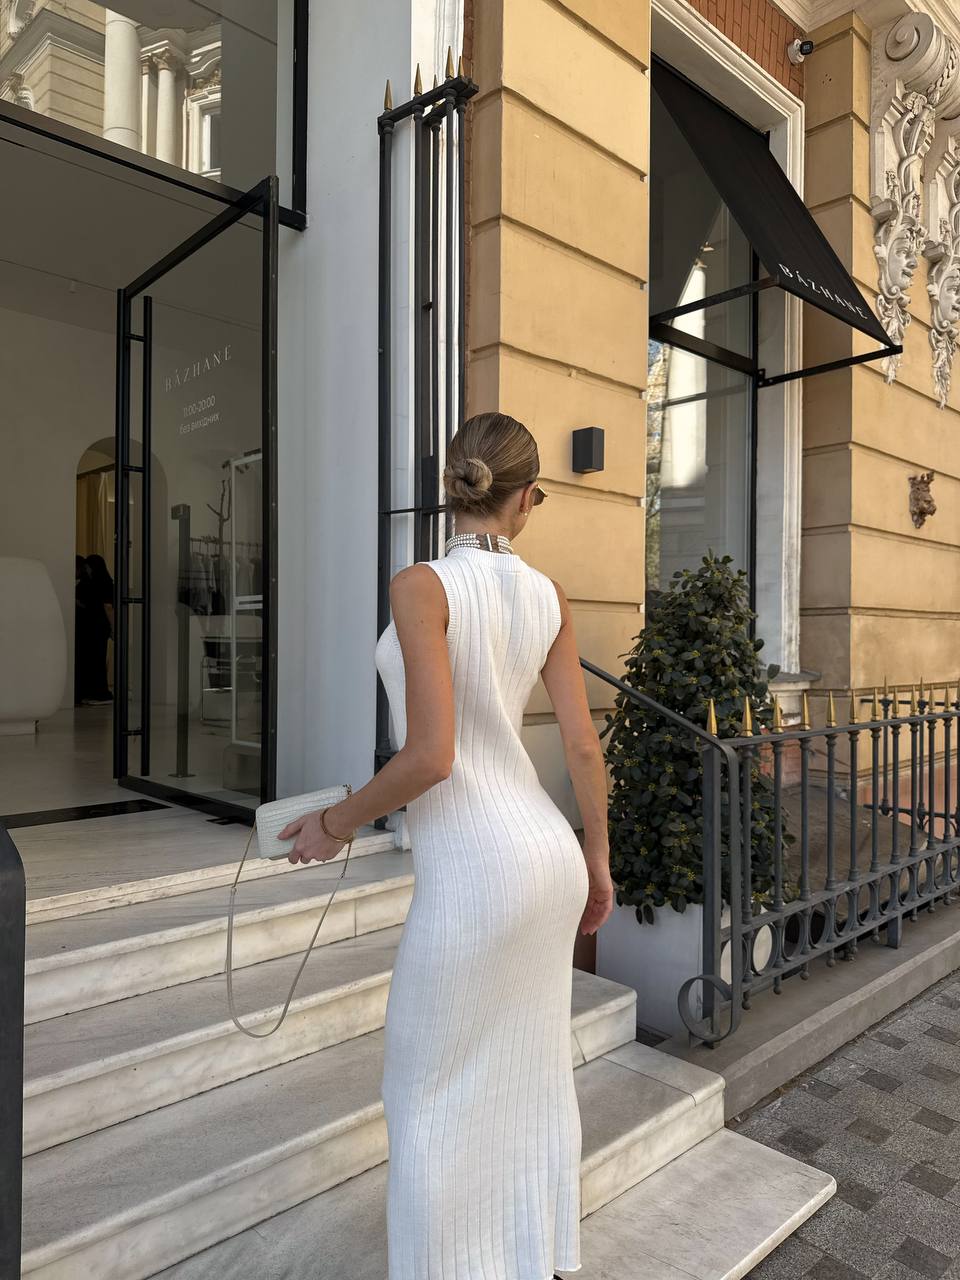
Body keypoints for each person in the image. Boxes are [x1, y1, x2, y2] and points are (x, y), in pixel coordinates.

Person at [278, 411, 614, 1279]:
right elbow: (582, 748)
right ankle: (529, 1254)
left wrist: (336, 823)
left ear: (453, 488)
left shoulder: (421, 586)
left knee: (424, 1092)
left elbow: (431, 756)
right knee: (529, 1075)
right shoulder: (548, 595)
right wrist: (599, 861)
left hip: (477, 871)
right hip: (546, 857)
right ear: (527, 500)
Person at [79, 554, 114, 704]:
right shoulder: (104, 582)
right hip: (97, 626)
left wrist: (114, 627)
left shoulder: (93, 583)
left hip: (96, 626)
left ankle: (99, 693)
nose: (87, 570)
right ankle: (97, 692)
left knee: (96, 659)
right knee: (96, 659)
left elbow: (108, 608)